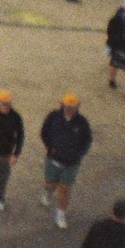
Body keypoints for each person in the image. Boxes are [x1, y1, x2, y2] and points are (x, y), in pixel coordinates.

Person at [40, 93, 92, 230]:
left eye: (72, 107)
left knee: (65, 189)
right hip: (54, 159)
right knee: (51, 184)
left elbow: (87, 140)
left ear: (77, 107)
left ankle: (60, 214)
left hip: (71, 163)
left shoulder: (82, 123)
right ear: (62, 104)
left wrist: (79, 154)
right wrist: (50, 147)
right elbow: (44, 132)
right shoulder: (53, 117)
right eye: (67, 106)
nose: (68, 109)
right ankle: (47, 192)